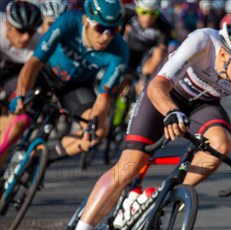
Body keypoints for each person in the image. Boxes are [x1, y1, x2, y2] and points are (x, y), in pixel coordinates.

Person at [55, 17, 231, 230]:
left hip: (203, 106)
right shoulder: (203, 41)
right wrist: (170, 112)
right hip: (165, 97)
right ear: (224, 53)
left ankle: (158, 199)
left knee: (221, 144)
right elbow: (158, 85)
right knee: (128, 168)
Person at [2, 0, 128, 161]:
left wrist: (93, 123)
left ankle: (41, 159)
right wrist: (20, 93)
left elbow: (104, 95)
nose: (106, 36)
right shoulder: (68, 21)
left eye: (113, 30)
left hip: (75, 87)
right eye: (101, 28)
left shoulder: (120, 51)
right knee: (18, 123)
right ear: (85, 21)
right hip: (46, 74)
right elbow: (34, 63)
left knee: (99, 131)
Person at [0, 0, 43, 161]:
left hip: (17, 75)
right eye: (21, 30)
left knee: (17, 122)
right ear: (9, 26)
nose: (26, 37)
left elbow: (31, 75)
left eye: (31, 32)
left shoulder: (38, 42)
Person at [121, 0, 173, 92]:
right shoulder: (128, 12)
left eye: (153, 13)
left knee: (159, 54)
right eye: (143, 12)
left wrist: (146, 76)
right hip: (129, 48)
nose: (148, 17)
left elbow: (159, 53)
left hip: (147, 53)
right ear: (137, 9)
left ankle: (142, 83)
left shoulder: (164, 25)